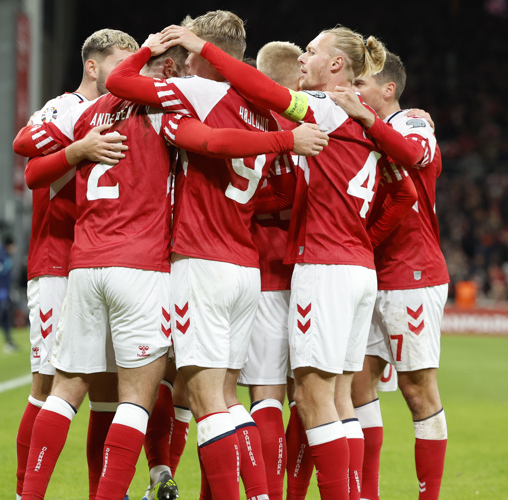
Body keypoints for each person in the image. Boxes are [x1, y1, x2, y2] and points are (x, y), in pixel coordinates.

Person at [18, 29, 326, 500]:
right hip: (152, 266)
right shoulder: (168, 112)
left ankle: (31, 494)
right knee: (166, 397)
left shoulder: (87, 114)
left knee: (62, 392)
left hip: (85, 263)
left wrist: (77, 151)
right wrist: (283, 141)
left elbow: (31, 166)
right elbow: (213, 141)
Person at [160, 24, 421, 499]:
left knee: (311, 398)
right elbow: (405, 186)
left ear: (336, 64)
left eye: (313, 50)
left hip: (320, 266)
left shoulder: (322, 107)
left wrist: (203, 48)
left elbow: (264, 90)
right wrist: (364, 236)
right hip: (358, 268)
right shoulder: (362, 119)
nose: (304, 57)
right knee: (339, 399)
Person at [107, 12, 327, 499]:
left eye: (189, 54)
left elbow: (118, 82)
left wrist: (148, 49)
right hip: (244, 266)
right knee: (228, 398)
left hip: (201, 260)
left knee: (206, 400)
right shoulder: (262, 107)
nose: (184, 63)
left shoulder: (200, 92)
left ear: (206, 54)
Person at [12, 28, 138, 500]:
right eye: (120, 64)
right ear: (92, 65)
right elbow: (28, 158)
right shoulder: (66, 108)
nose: (127, 74)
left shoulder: (124, 112)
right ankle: (25, 493)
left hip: (102, 263)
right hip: (57, 263)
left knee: (107, 392)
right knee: (47, 386)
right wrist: (77, 148)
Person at [331, 52, 449, 500]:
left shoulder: (412, 124)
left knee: (418, 390)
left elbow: (414, 155)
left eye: (362, 84)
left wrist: (365, 117)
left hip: (412, 272)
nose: (354, 90)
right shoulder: (360, 130)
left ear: (388, 89)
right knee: (357, 385)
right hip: (367, 273)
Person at [240, 40, 304, 500]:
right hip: (310, 274)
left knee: (261, 395)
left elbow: (273, 194)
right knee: (313, 397)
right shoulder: (320, 124)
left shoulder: (258, 125)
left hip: (261, 270)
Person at [0, 236, 18, 352]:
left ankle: (9, 342)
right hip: (0, 291)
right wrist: (1, 291)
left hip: (3, 290)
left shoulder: (3, 255)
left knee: (6, 316)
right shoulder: (1, 256)